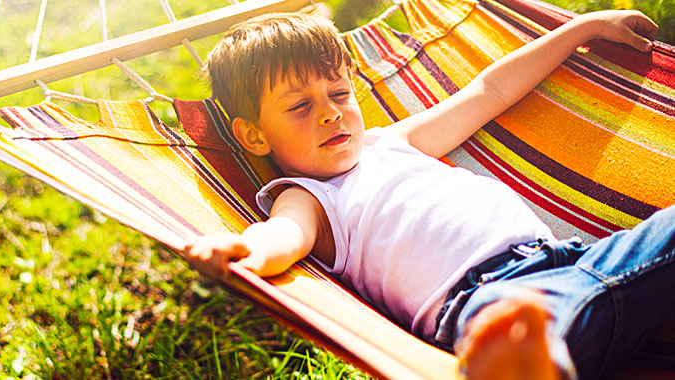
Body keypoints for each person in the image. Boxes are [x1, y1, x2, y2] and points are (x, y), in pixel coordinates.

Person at [183, 5, 673, 380]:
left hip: (577, 263)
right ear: (252, 135)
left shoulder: (389, 141)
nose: (331, 113)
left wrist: (581, 29)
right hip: (488, 301)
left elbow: (490, 91)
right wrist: (244, 249)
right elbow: (283, 236)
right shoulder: (307, 195)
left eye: (338, 94)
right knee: (530, 322)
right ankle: (517, 356)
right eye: (299, 107)